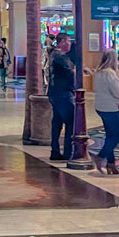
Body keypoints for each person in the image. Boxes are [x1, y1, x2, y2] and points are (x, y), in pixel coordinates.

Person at [87, 50, 119, 174]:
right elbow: (117, 93)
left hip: (100, 106)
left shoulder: (98, 72)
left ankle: (111, 164)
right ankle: (101, 156)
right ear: (114, 59)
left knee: (110, 135)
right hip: (110, 108)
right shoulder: (110, 74)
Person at [48, 33, 76, 161]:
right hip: (63, 94)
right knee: (70, 123)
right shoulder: (60, 56)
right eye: (69, 41)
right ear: (63, 42)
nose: (70, 44)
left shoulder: (54, 54)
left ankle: (55, 151)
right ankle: (68, 153)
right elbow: (70, 71)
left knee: (57, 123)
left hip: (55, 93)